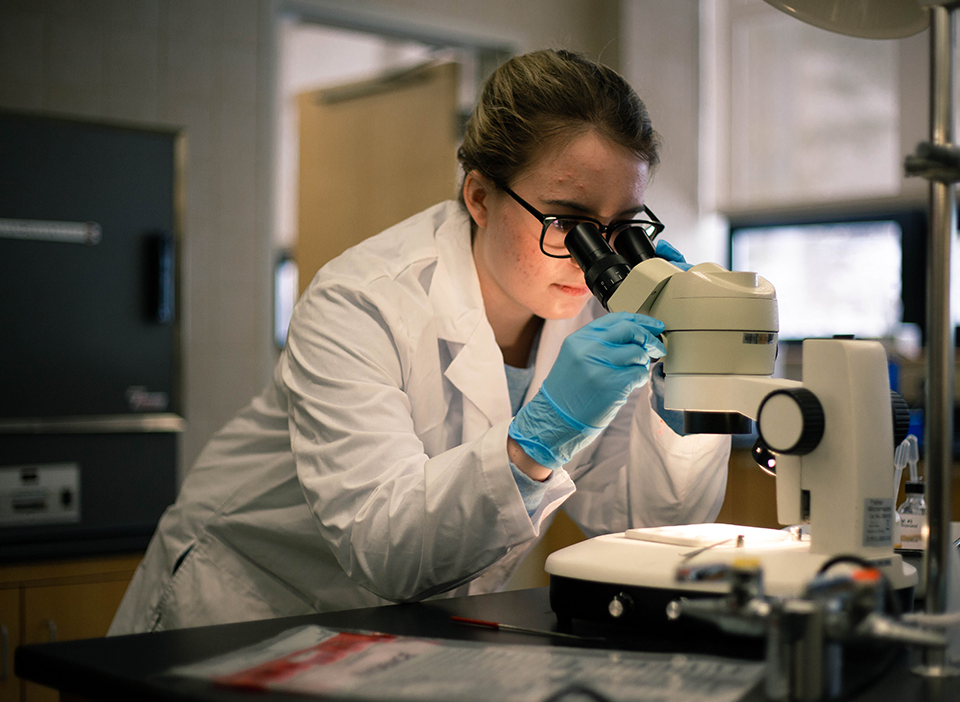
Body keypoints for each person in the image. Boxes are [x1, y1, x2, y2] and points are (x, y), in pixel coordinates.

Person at [108, 49, 730, 634]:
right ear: (481, 197)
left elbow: (648, 527)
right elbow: (382, 546)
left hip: (407, 630)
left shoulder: (599, 320)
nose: (595, 258)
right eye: (568, 222)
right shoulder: (360, 300)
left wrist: (688, 390)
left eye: (623, 228)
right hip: (249, 603)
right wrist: (536, 440)